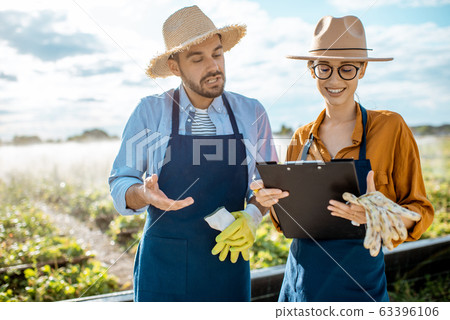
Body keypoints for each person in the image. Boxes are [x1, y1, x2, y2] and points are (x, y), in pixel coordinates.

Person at [251, 15, 434, 302]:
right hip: (300, 287)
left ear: (362, 70)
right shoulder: (300, 138)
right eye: (324, 68)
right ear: (311, 71)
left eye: (346, 69)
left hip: (361, 291)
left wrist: (380, 216)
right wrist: (270, 201)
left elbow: (420, 211)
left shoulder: (390, 128)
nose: (334, 80)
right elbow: (286, 221)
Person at [108, 5, 277, 302]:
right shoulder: (150, 112)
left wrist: (252, 216)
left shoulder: (252, 112)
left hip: (229, 262)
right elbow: (121, 182)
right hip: (164, 267)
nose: (213, 66)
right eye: (197, 59)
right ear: (175, 68)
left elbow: (269, 183)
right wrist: (145, 195)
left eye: (217, 53)